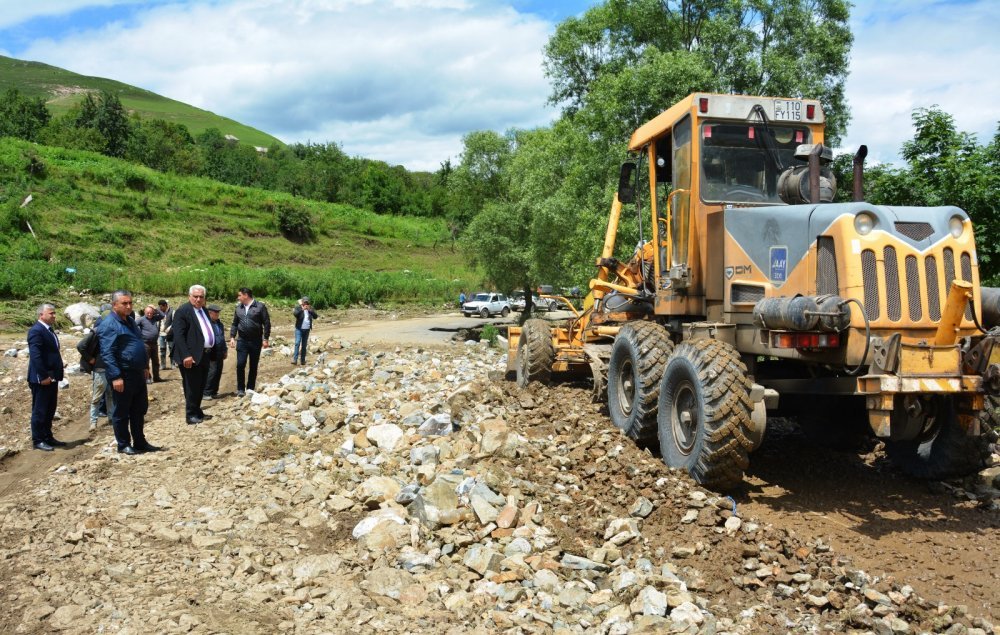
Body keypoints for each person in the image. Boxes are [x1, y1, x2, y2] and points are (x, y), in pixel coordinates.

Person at [98, 291, 161, 455]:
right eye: (124, 303)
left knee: (139, 409)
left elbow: (138, 343)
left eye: (130, 303)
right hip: (123, 374)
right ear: (114, 305)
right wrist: (116, 376)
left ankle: (140, 441)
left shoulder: (131, 321)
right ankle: (123, 443)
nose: (128, 306)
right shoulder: (109, 324)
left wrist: (145, 366)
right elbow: (107, 353)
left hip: (138, 373)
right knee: (122, 411)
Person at [172, 285, 215, 424]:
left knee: (201, 385)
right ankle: (190, 415)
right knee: (191, 386)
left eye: (201, 297)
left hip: (204, 354)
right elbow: (178, 336)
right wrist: (186, 355)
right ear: (189, 297)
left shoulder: (204, 311)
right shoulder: (183, 311)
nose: (198, 299)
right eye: (195, 296)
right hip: (190, 356)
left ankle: (197, 410)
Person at [27, 303, 65, 451]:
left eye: (54, 313)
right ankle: (38, 439)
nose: (54, 316)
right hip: (41, 378)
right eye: (51, 313)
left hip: (52, 376)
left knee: (50, 408)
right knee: (40, 409)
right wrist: (42, 376)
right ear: (41, 315)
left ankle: (48, 436)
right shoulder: (36, 331)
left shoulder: (49, 330)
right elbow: (36, 356)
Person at [229, 287, 270, 397]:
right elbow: (234, 323)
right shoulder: (238, 308)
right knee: (240, 364)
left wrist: (265, 338)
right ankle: (241, 389)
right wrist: (232, 337)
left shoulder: (260, 307)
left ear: (246, 295)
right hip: (242, 340)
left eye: (239, 295)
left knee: (253, 365)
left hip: (256, 341)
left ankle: (250, 388)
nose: (238, 297)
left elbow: (266, 323)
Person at [77, 314, 110, 432]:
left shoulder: (113, 332)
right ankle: (93, 422)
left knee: (110, 395)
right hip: (100, 368)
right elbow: (80, 346)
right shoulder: (96, 332)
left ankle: (111, 419)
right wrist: (90, 358)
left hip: (111, 368)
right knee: (97, 397)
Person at [203, 304, 227, 400]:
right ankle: (206, 392)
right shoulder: (207, 324)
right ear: (210, 313)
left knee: (218, 371)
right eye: (216, 312)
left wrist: (225, 350)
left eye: (218, 312)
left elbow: (222, 338)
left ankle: (214, 391)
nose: (218, 314)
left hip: (220, 350)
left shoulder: (220, 324)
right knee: (211, 372)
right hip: (211, 352)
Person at [135, 304, 163, 384]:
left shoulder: (154, 318)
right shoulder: (141, 319)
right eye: (148, 313)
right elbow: (133, 325)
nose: (150, 314)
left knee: (156, 361)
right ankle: (147, 378)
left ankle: (156, 377)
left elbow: (162, 315)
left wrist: (155, 308)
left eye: (151, 313)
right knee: (146, 362)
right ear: (145, 312)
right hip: (145, 344)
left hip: (154, 343)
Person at [292, 296, 317, 366]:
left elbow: (316, 316)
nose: (306, 303)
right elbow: (295, 314)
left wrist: (310, 310)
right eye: (304, 302)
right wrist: (302, 309)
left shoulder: (310, 308)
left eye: (307, 302)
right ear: (302, 302)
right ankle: (295, 359)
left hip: (307, 330)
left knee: (304, 345)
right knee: (297, 343)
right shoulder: (298, 307)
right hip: (299, 329)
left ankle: (302, 360)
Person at [157, 299, 174, 370]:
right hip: (161, 334)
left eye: (161, 307)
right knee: (162, 350)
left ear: (165, 306)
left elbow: (175, 322)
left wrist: (169, 328)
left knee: (171, 349)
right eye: (159, 307)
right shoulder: (159, 311)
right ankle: (163, 365)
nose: (160, 308)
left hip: (170, 334)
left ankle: (173, 364)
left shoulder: (172, 312)